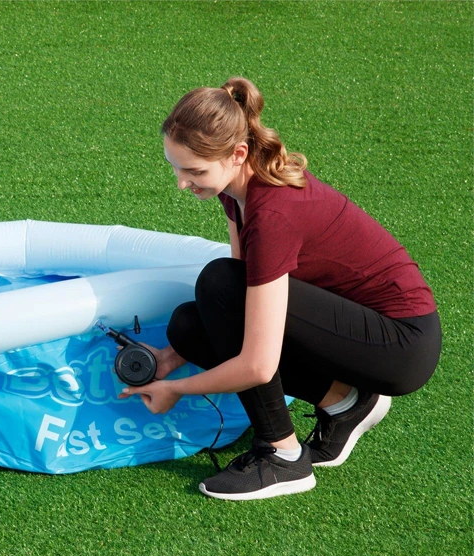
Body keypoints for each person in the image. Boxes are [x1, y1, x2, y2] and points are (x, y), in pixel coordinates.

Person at [118, 77, 441, 501]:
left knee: (217, 283)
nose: (182, 182)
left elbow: (257, 364)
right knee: (188, 327)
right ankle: (346, 403)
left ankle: (282, 457)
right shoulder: (234, 188)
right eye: (176, 167)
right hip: (355, 324)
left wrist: (174, 389)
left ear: (237, 154)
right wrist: (169, 357)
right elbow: (235, 301)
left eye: (194, 171)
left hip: (400, 343)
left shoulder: (273, 214)